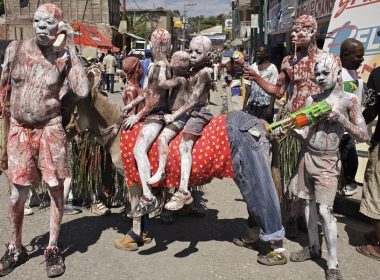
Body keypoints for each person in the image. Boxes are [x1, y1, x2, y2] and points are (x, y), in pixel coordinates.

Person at [0, 3, 89, 278]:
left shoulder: (63, 57)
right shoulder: (15, 48)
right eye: (37, 20)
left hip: (49, 128)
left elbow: (82, 90)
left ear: (58, 26)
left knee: (54, 188)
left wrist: (71, 45)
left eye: (48, 22)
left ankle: (51, 247)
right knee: (17, 194)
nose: (40, 25)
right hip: (19, 129)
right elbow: (3, 82)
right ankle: (16, 247)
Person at [286, 53, 368, 280]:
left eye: (325, 73)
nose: (320, 78)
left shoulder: (348, 99)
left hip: (329, 161)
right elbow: (307, 133)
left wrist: (341, 119)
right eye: (317, 74)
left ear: (338, 73)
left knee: (325, 210)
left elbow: (363, 135)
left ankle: (333, 264)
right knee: (307, 204)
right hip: (307, 157)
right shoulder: (313, 100)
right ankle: (313, 248)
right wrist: (293, 130)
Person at [123, 28, 172, 218]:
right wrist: (131, 106)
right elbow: (145, 94)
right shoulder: (156, 65)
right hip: (152, 111)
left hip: (157, 115)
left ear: (153, 45)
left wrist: (137, 115)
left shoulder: (160, 67)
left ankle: (147, 195)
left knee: (138, 149)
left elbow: (155, 98)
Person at [163, 35, 213, 211]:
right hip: (188, 112)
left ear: (207, 55)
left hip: (199, 112)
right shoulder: (191, 70)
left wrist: (174, 115)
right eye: (190, 50)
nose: (192, 55)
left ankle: (183, 190)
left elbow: (193, 100)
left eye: (198, 52)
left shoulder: (205, 72)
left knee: (185, 146)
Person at [147, 50, 191, 186]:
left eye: (173, 61)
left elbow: (162, 84)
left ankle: (161, 170)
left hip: (179, 116)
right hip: (174, 113)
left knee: (163, 138)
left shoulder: (180, 79)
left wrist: (162, 68)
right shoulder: (180, 78)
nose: (170, 62)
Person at [356, 66, 380, 261]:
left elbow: (371, 109)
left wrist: (354, 127)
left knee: (376, 193)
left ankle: (378, 246)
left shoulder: (378, 74)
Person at [338, 38, 365, 196]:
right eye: (358, 56)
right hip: (336, 129)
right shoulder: (336, 74)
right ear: (345, 55)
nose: (362, 59)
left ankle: (349, 181)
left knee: (349, 154)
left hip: (349, 129)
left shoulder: (353, 72)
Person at [243, 45, 278, 123]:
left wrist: (270, 107)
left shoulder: (272, 69)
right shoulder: (253, 67)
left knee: (265, 129)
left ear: (266, 53)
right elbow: (248, 86)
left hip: (265, 106)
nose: (257, 53)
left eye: (260, 51)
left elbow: (274, 90)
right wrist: (245, 103)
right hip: (252, 105)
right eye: (257, 52)